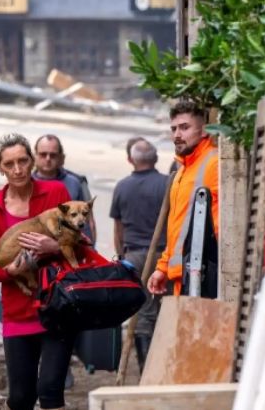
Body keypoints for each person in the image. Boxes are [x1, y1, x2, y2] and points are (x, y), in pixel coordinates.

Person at [0, 133, 77, 410]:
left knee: (50, 391)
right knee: (21, 397)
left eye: (23, 161)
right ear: (0, 168)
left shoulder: (56, 193)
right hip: (18, 310)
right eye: (10, 164)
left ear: (32, 162)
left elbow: (80, 245)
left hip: (57, 307)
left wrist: (54, 246)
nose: (18, 169)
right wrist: (10, 270)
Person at [148, 102, 219, 298]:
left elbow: (220, 226)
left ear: (204, 130)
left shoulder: (213, 164)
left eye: (184, 127)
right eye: (174, 128)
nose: (177, 135)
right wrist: (162, 267)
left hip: (203, 276)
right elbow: (178, 227)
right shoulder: (182, 171)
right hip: (185, 275)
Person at [109, 138, 168, 372]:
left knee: (143, 312)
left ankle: (146, 368)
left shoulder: (122, 186)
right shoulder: (168, 184)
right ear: (155, 159)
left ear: (130, 160)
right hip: (165, 255)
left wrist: (122, 255)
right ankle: (161, 365)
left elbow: (118, 229)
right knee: (165, 307)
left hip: (134, 256)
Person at [33, 135, 96, 243]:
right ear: (35, 157)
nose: (48, 159)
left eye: (53, 155)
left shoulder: (76, 183)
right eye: (43, 154)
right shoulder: (26, 184)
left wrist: (90, 249)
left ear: (61, 158)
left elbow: (89, 222)